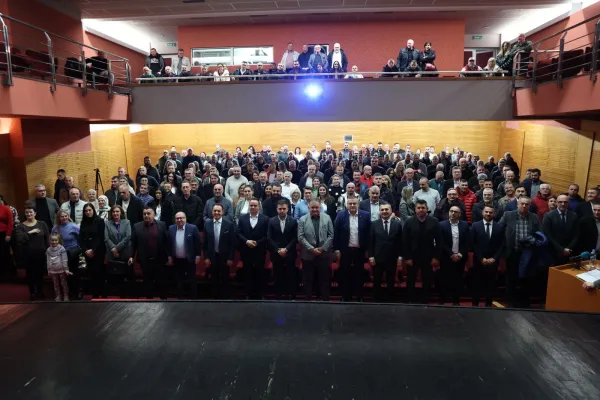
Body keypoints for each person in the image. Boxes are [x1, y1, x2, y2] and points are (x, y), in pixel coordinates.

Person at [499, 196, 542, 308]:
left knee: (527, 278)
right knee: (511, 278)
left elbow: (539, 234)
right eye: (522, 204)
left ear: (529, 206)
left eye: (526, 204)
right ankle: (511, 301)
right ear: (517, 204)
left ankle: (524, 302)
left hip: (528, 252)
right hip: (512, 251)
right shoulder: (508, 215)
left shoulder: (534, 217)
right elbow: (499, 230)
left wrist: (533, 240)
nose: (524, 206)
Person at [402, 199, 442, 304]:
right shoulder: (408, 222)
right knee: (411, 279)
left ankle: (425, 299)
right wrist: (407, 257)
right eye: (418, 208)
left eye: (423, 208)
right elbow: (404, 241)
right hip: (412, 256)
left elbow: (439, 241)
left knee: (427, 279)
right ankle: (409, 299)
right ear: (415, 209)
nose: (421, 210)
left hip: (428, 257)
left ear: (427, 209)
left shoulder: (434, 222)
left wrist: (436, 257)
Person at [334, 197, 370, 302]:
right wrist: (336, 249)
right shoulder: (341, 215)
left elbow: (369, 234)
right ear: (347, 205)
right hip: (346, 250)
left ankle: (359, 296)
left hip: (360, 250)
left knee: (359, 274)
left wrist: (368, 249)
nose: (353, 205)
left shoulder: (365, 215)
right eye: (350, 204)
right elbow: (336, 233)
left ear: (358, 204)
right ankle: (345, 296)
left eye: (354, 203)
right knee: (345, 274)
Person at [298, 200, 334, 301]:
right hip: (308, 254)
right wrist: (311, 249)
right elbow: (300, 237)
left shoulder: (327, 218)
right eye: (312, 207)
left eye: (316, 207)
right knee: (308, 279)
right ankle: (308, 299)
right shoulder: (302, 219)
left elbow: (331, 235)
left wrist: (322, 248)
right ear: (309, 208)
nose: (314, 209)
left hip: (324, 254)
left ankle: (324, 299)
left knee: (324, 279)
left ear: (320, 208)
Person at [470, 206, 506, 307]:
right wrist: (481, 258)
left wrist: (494, 258)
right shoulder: (475, 226)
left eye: (490, 212)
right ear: (482, 213)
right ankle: (475, 303)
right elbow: (473, 244)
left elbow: (502, 245)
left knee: (491, 283)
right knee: (476, 282)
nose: (488, 214)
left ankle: (488, 303)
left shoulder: (499, 227)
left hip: (493, 261)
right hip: (479, 260)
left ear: (493, 214)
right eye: (486, 212)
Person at [131, 207, 169, 299]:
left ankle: (164, 302)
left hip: (159, 259)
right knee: (147, 282)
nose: (146, 215)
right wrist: (131, 256)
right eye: (144, 214)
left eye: (148, 213)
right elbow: (133, 243)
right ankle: (149, 303)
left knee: (161, 282)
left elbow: (166, 241)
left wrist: (169, 256)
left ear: (154, 215)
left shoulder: (162, 225)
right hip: (145, 260)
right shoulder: (137, 226)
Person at [368, 202, 403, 302]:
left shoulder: (397, 224)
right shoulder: (374, 224)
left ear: (391, 211)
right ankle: (376, 300)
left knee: (390, 280)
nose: (384, 211)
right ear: (379, 212)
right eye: (382, 210)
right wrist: (371, 256)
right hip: (377, 258)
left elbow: (400, 242)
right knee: (377, 280)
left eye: (386, 209)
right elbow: (371, 241)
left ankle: (390, 300)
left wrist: (400, 257)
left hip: (392, 258)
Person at [236, 199, 269, 299]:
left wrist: (257, 243)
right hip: (246, 250)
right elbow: (238, 233)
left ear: (259, 207)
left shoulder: (266, 219)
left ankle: (260, 294)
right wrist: (247, 241)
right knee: (247, 272)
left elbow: (267, 235)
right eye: (251, 205)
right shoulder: (242, 218)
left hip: (260, 250)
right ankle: (248, 294)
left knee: (260, 272)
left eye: (255, 206)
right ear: (249, 206)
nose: (253, 207)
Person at [15, 205, 49, 300]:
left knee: (40, 273)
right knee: (30, 275)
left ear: (35, 213)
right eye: (27, 212)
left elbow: (47, 238)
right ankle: (32, 293)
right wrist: (30, 232)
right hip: (28, 255)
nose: (29, 214)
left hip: (41, 253)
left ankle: (40, 291)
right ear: (25, 214)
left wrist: (49, 250)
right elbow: (19, 239)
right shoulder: (21, 226)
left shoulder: (42, 224)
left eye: (31, 212)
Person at [203, 204, 236, 299]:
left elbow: (232, 243)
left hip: (225, 257)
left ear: (223, 212)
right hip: (212, 257)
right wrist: (206, 257)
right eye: (215, 211)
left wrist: (230, 258)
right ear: (212, 212)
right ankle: (214, 298)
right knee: (213, 278)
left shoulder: (229, 224)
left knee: (225, 278)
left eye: (218, 211)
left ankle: (225, 298)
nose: (216, 213)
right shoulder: (207, 224)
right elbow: (204, 244)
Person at [267, 200, 298, 300]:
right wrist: (278, 250)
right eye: (280, 209)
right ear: (276, 209)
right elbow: (269, 238)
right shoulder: (271, 221)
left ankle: (291, 295)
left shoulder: (293, 221)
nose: (282, 211)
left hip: (289, 252)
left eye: (284, 209)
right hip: (276, 253)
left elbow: (295, 238)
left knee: (290, 275)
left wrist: (286, 249)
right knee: (277, 275)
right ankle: (278, 295)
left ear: (288, 209)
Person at [439, 206, 469, 305]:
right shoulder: (442, 225)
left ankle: (456, 300)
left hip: (460, 257)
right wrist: (451, 254)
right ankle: (442, 300)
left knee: (458, 279)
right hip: (446, 257)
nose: (453, 213)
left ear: (459, 214)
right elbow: (441, 242)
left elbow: (467, 242)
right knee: (444, 278)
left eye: (456, 212)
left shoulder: (465, 225)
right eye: (451, 211)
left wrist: (460, 253)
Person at [104, 205, 134, 298]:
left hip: (125, 252)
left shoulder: (127, 222)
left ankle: (127, 295)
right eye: (113, 212)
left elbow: (128, 236)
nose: (115, 213)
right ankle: (116, 295)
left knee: (127, 273)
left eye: (117, 211)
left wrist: (117, 248)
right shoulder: (107, 223)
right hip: (112, 253)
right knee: (115, 274)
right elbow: (106, 238)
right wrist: (113, 248)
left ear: (121, 212)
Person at [51, 210, 82, 299]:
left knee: (73, 272)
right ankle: (66, 293)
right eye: (62, 216)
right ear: (58, 218)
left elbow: (81, 239)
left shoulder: (74, 226)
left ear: (68, 216)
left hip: (72, 253)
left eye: (65, 216)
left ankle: (77, 291)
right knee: (63, 274)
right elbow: (53, 241)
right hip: (60, 253)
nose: (64, 218)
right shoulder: (55, 228)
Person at [542, 194, 579, 266]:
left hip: (569, 251)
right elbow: (548, 235)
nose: (563, 204)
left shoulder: (574, 215)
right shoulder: (548, 216)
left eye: (565, 202)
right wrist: (561, 249)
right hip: (553, 251)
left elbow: (577, 234)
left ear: (568, 203)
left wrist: (568, 248)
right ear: (556, 203)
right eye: (560, 202)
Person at [79, 203, 106, 299]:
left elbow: (100, 237)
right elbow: (81, 238)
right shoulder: (83, 222)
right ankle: (94, 293)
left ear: (93, 210)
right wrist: (85, 250)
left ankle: (102, 292)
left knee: (99, 272)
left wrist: (93, 250)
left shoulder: (100, 221)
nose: (88, 212)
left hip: (98, 250)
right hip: (87, 252)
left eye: (89, 210)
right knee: (91, 273)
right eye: (86, 211)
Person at [46, 233, 71, 301]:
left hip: (61, 270)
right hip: (53, 270)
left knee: (63, 283)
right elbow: (48, 260)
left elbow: (64, 259)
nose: (54, 242)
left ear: (58, 240)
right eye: (52, 240)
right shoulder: (48, 250)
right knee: (55, 284)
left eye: (55, 240)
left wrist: (66, 269)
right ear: (50, 241)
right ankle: (58, 295)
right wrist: (49, 270)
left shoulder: (62, 249)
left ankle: (66, 295)